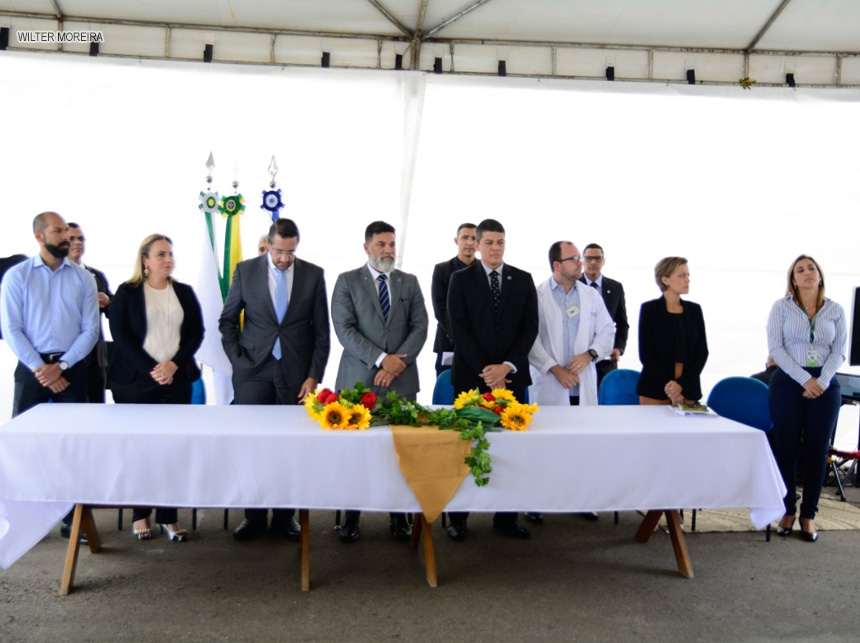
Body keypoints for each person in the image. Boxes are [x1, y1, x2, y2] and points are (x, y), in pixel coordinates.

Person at [219, 218, 330, 542]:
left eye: (290, 252)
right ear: (268, 244)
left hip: (296, 376)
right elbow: (227, 321)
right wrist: (239, 361)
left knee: (290, 449)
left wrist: (313, 375)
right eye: (279, 251)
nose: (284, 258)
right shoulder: (246, 271)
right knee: (253, 447)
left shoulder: (313, 274)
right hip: (253, 371)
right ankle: (253, 517)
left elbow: (322, 332)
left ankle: (285, 517)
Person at [0, 212, 99, 541]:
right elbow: (11, 329)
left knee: (73, 448)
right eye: (58, 232)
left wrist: (63, 366)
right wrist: (42, 370)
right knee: (25, 447)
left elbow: (90, 330)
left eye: (67, 233)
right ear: (39, 237)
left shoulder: (83, 279)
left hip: (73, 371)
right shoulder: (17, 276)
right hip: (32, 371)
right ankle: (22, 520)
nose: (67, 238)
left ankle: (74, 519)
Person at [331, 220, 428, 543]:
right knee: (355, 456)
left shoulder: (409, 282)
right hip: (358, 381)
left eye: (391, 245)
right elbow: (345, 329)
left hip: (400, 382)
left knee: (399, 453)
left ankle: (399, 517)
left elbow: (420, 327)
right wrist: (379, 359)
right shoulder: (347, 282)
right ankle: (351, 517)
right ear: (366, 247)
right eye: (381, 245)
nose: (388, 251)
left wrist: (396, 363)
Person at [446, 218, 538, 541]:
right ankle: (458, 517)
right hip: (472, 378)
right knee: (467, 447)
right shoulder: (460, 280)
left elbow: (530, 329)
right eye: (489, 243)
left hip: (512, 381)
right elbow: (458, 330)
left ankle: (507, 515)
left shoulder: (523, 280)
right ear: (476, 245)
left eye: (500, 242)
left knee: (511, 450)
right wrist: (489, 370)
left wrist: (507, 367)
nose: (495, 248)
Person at [109, 234, 204, 542]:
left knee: (171, 451)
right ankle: (140, 514)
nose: (168, 259)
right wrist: (153, 369)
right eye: (161, 254)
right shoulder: (127, 292)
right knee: (140, 450)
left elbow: (195, 333)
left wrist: (174, 364)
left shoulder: (184, 292)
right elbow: (120, 336)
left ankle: (169, 517)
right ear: (145, 260)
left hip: (175, 382)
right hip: (135, 384)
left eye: (171, 254)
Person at [527, 241, 615, 524]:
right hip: (550, 383)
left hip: (583, 383)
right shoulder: (537, 295)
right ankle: (537, 501)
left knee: (582, 444)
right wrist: (555, 369)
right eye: (573, 258)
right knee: (545, 445)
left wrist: (590, 354)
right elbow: (529, 339)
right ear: (556, 265)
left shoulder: (591, 296)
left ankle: (581, 499)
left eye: (580, 258)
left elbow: (607, 331)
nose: (580, 263)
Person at [767, 255, 846, 543]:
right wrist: (805, 379)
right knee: (785, 448)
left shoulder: (835, 310)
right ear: (793, 280)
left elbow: (839, 351)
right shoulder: (781, 308)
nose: (807, 273)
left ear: (820, 275)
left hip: (825, 385)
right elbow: (776, 346)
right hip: (788, 381)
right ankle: (787, 509)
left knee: (817, 450)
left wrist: (821, 381)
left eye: (811, 268)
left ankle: (808, 515)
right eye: (800, 270)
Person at [636, 257, 708, 406]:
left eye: (688, 275)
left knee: (686, 429)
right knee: (653, 429)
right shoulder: (649, 310)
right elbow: (646, 355)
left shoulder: (695, 310)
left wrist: (681, 384)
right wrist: (671, 388)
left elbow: (702, 353)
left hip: (688, 387)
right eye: (682, 275)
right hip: (655, 387)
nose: (687, 280)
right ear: (665, 280)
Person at [68, 222, 113, 403]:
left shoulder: (96, 275)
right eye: (72, 239)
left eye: (81, 239)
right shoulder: (51, 276)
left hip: (96, 359)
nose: (78, 242)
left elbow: (114, 308)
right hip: (67, 359)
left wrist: (108, 301)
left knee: (96, 410)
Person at [578, 243, 629, 388]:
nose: (593, 262)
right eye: (588, 258)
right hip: (580, 358)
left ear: (603, 261)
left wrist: (618, 348)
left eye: (597, 258)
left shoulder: (616, 287)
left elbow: (622, 323)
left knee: (607, 401)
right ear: (582, 261)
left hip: (607, 359)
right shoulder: (574, 285)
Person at [430, 223, 476, 376]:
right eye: (465, 238)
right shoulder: (442, 270)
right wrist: (462, 338)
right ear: (456, 241)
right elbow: (440, 310)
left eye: (474, 238)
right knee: (447, 393)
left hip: (480, 346)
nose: (469, 242)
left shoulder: (486, 271)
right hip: (449, 344)